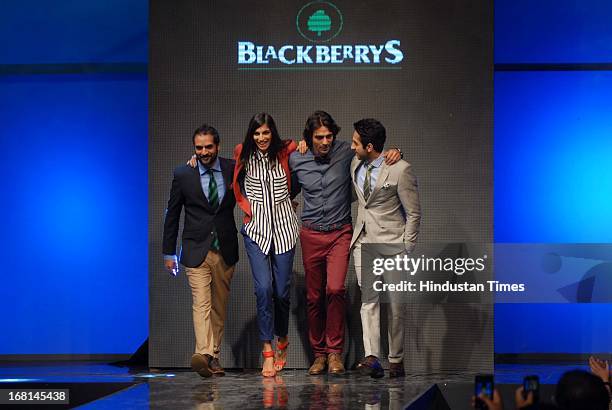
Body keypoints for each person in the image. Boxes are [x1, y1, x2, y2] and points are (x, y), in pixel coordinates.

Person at [290, 111, 401, 375]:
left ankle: (335, 353)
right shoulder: (297, 157)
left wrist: (397, 150)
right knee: (315, 296)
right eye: (319, 137)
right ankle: (319, 355)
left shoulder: (346, 152)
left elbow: (374, 153)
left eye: (329, 136)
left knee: (336, 290)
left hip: (340, 233)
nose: (325, 141)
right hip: (311, 234)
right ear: (309, 137)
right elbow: (286, 186)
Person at [162, 124, 238, 378]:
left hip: (225, 248)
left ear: (218, 146)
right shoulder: (183, 173)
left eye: (208, 147)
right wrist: (168, 252)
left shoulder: (232, 168)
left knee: (219, 306)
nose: (204, 152)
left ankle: (213, 357)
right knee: (201, 303)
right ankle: (204, 353)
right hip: (196, 249)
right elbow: (172, 214)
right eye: (199, 147)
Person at [350, 118, 421, 378]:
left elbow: (414, 213)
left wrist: (407, 247)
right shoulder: (355, 163)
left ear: (369, 146)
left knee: (396, 304)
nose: (351, 147)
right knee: (368, 302)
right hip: (364, 242)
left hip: (393, 246)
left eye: (356, 142)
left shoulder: (401, 169)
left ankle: (396, 359)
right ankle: (372, 357)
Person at [233, 112, 300, 377]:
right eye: (257, 133)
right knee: (263, 289)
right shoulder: (244, 154)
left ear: (273, 133)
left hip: (284, 229)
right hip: (257, 230)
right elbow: (234, 180)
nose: (261, 138)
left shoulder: (286, 152)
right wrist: (247, 208)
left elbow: (303, 145)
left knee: (281, 293)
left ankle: (282, 338)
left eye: (266, 132)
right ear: (251, 135)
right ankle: (268, 352)